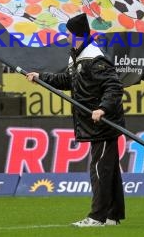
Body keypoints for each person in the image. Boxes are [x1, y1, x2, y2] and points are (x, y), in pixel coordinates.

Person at [25, 13, 125, 227]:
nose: (66, 36)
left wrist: (102, 109)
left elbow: (114, 87)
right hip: (94, 124)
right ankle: (112, 216)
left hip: (104, 123)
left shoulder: (95, 59)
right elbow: (67, 80)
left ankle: (97, 217)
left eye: (68, 33)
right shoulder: (76, 57)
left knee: (99, 169)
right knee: (109, 169)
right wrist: (41, 78)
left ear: (78, 36)